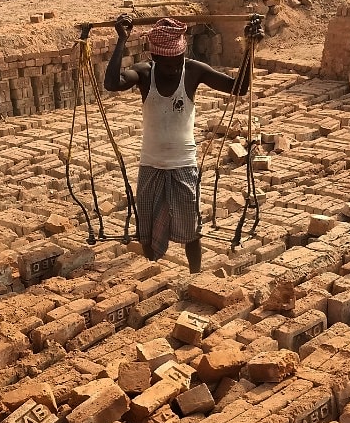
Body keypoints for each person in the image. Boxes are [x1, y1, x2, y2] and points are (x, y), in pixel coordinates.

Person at [104, 16, 255, 274]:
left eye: (178, 62)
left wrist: (249, 48)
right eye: (167, 64)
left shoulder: (193, 70)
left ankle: (195, 273)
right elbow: (111, 83)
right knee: (147, 229)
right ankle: (152, 270)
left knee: (191, 228)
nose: (174, 68)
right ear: (155, 58)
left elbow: (239, 88)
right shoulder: (144, 73)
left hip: (183, 164)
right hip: (150, 163)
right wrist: (121, 40)